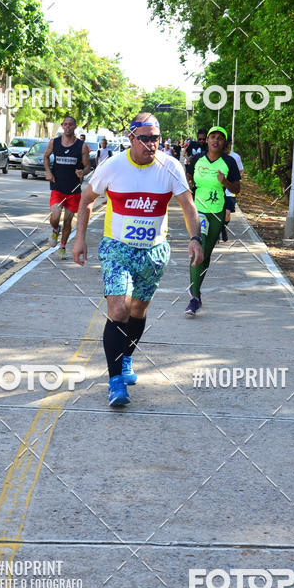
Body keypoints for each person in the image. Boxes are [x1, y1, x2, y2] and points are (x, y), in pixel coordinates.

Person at [72, 112, 203, 407]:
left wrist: (196, 239)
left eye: (155, 138)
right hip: (117, 248)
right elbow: (86, 200)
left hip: (153, 252)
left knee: (138, 311)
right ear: (131, 138)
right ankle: (115, 380)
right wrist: (80, 238)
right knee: (119, 309)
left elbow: (188, 205)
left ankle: (127, 356)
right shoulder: (114, 166)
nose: (151, 144)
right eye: (144, 138)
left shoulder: (170, 167)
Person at [185, 126, 240, 316]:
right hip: (197, 211)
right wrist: (190, 185)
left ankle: (197, 295)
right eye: (212, 137)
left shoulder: (229, 162)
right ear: (207, 140)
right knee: (197, 252)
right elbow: (188, 176)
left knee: (206, 254)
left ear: (224, 143)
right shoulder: (196, 159)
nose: (215, 140)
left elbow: (237, 189)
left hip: (216, 212)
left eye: (220, 138)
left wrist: (225, 182)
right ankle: (194, 297)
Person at [43, 116, 91, 259]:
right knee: (55, 215)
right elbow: (45, 157)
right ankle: (55, 228)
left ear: (75, 127)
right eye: (65, 124)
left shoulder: (81, 146)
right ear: (62, 126)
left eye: (70, 124)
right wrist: (48, 171)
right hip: (57, 186)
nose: (68, 127)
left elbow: (88, 166)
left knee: (68, 221)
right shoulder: (54, 142)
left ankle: (62, 247)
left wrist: (83, 172)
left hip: (73, 189)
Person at [221, 138, 244, 242]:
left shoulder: (235, 157)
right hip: (219, 190)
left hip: (230, 191)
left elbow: (241, 171)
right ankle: (217, 229)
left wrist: (234, 181)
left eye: (227, 145)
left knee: (227, 213)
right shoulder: (217, 156)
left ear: (230, 144)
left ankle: (223, 228)